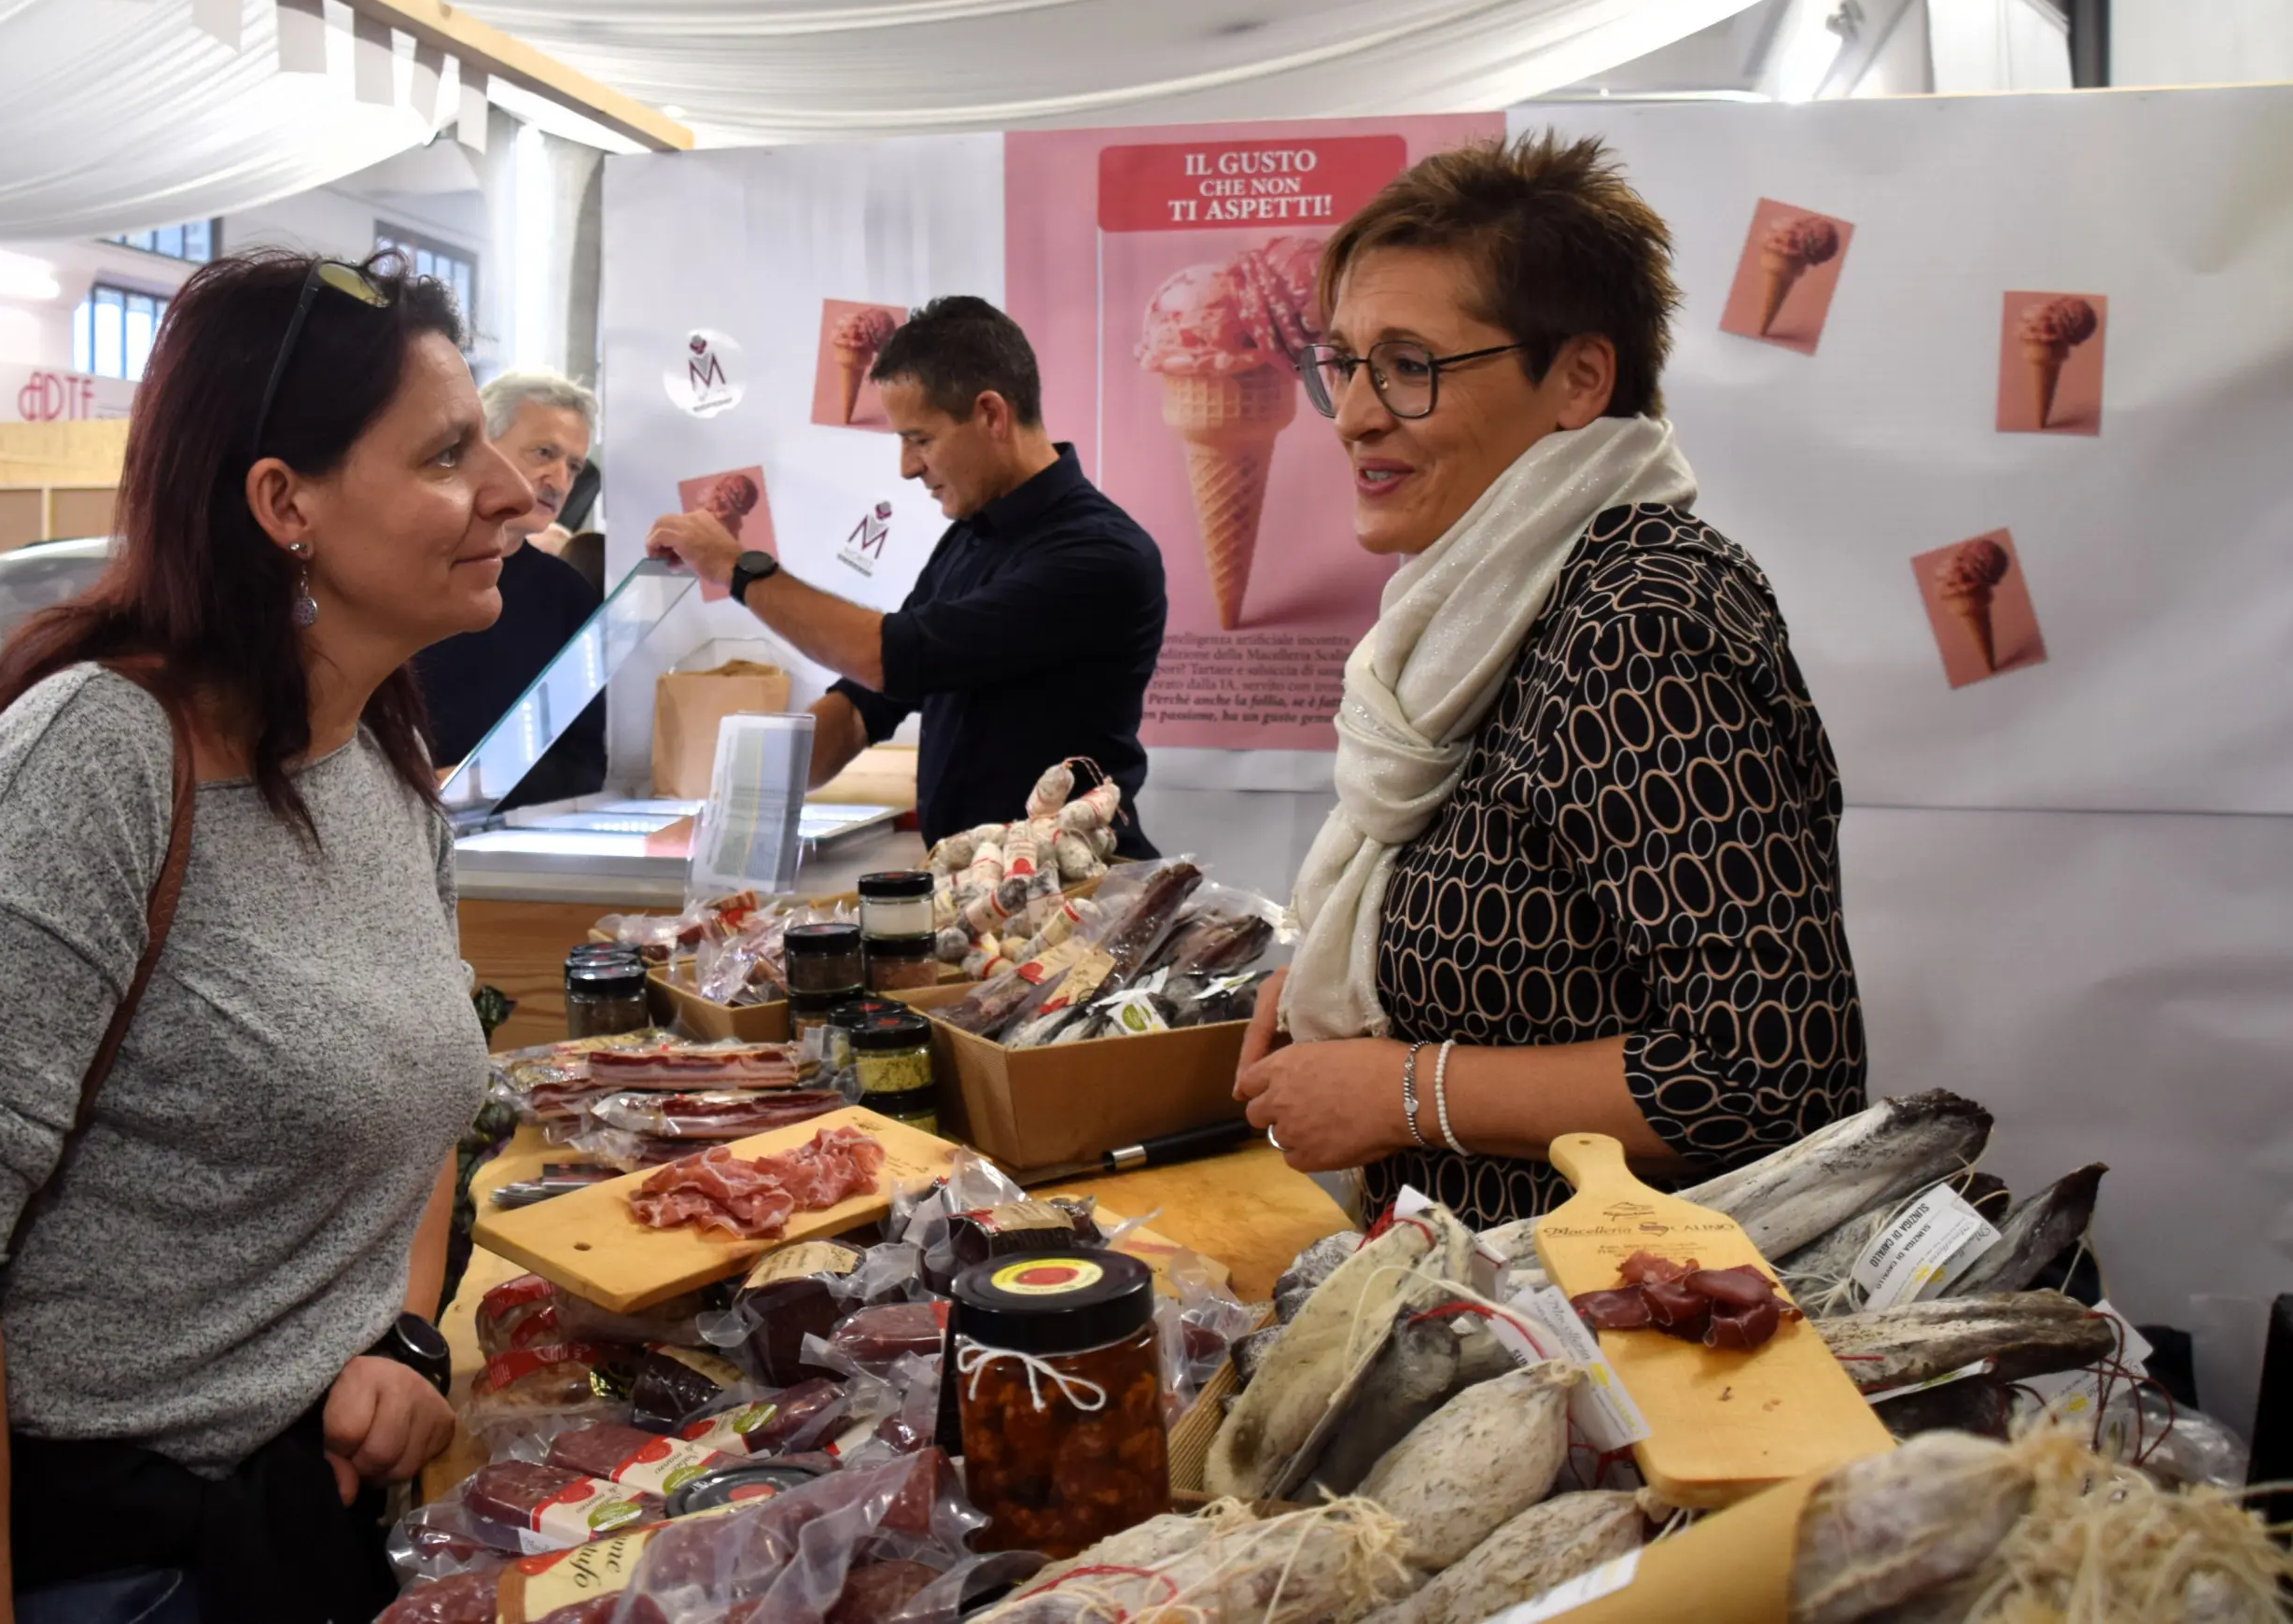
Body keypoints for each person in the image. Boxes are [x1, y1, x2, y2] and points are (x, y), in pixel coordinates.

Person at [0, 249, 521, 1624]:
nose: (512, 489)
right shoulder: (94, 759)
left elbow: (429, 1082)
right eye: (449, 453)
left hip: (293, 1535)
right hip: (101, 1567)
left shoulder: (379, 763)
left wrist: (401, 1330)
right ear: (284, 503)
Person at [1235, 133, 1866, 1228]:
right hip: (1493, 1302)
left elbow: (1768, 1071)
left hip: (1621, 1330)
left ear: (1579, 379)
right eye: (1343, 362)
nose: (1354, 415)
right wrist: (1341, 984)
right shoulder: (1485, 606)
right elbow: (1528, 940)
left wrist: (1400, 1090)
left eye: (1410, 364)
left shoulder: (1641, 621)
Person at [646, 297, 1167, 855]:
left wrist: (738, 569)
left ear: (991, 414)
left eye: (920, 439)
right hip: (976, 892)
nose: (907, 467)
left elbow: (888, 656)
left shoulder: (1098, 554)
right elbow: (863, 707)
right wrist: (733, 811)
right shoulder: (970, 536)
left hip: (1072, 891)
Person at [409, 371, 607, 807]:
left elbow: (583, 761)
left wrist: (470, 785)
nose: (558, 480)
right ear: (481, 445)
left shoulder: (566, 596)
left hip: (504, 841)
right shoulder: (399, 568)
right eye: (544, 453)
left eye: (573, 466)